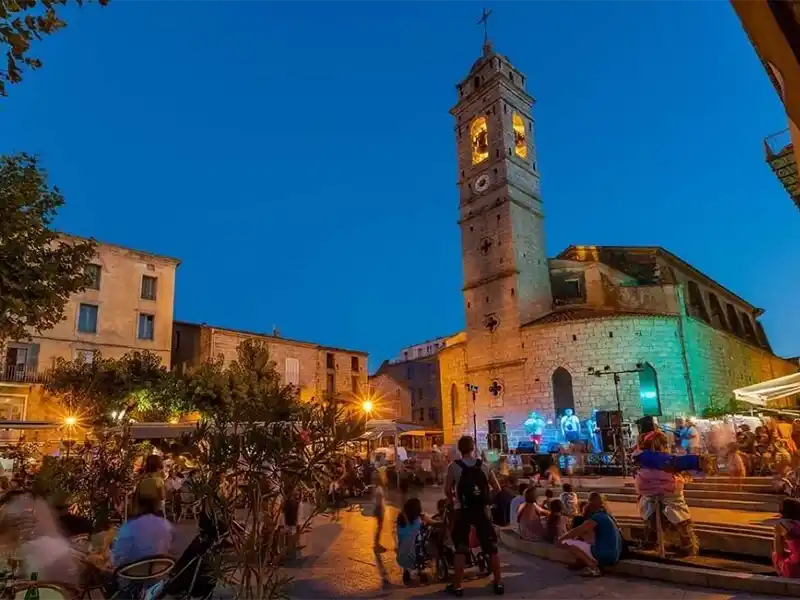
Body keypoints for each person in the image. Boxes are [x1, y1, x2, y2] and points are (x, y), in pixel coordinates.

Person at [444, 436, 504, 596]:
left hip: (463, 511)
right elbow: (497, 489)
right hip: (482, 511)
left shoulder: (454, 467)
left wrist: (453, 502)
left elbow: (447, 490)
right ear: (473, 447)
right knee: (492, 548)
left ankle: (457, 586)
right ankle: (498, 583)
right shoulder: (484, 466)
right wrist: (486, 500)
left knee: (461, 548)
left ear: (459, 449)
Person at [558, 492, 622, 576]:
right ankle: (586, 563)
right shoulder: (607, 516)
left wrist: (562, 538)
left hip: (604, 555)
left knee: (566, 542)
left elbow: (579, 530)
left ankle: (593, 567)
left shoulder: (597, 517)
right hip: (614, 556)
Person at [111, 497, 174, 568]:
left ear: (137, 507)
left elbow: (118, 556)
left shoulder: (129, 526)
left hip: (131, 574)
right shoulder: (166, 524)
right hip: (159, 572)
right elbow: (170, 548)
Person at [396, 497, 435, 585]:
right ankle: (421, 572)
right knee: (421, 543)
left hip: (401, 556)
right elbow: (434, 523)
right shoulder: (419, 519)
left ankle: (406, 571)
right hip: (415, 556)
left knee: (408, 542)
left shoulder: (400, 518)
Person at [773, 498, 800, 578]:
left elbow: (779, 550)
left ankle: (782, 572)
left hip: (795, 568)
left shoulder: (783, 525)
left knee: (776, 555)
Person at [372, 469, 387, 553]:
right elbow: (379, 502)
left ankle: (377, 544)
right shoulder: (378, 489)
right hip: (379, 509)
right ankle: (376, 545)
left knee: (379, 528)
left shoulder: (378, 488)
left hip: (379, 509)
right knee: (379, 528)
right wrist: (381, 511)